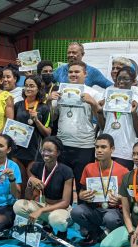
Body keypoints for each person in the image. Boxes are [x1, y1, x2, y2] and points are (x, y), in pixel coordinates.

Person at [71, 134, 129, 246]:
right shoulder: (89, 167)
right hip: (94, 209)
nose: (99, 150)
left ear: (112, 149)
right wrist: (82, 195)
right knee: (76, 212)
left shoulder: (123, 171)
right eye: (97, 147)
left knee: (110, 219)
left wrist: (120, 200)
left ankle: (112, 232)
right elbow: (82, 190)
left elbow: (130, 197)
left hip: (113, 211)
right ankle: (96, 233)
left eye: (103, 147)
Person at [56, 61, 103, 194]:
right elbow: (54, 117)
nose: (73, 74)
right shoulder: (60, 91)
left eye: (77, 72)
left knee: (83, 185)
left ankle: (81, 213)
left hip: (84, 145)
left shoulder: (93, 93)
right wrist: (50, 101)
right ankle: (63, 214)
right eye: (70, 72)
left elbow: (101, 121)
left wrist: (93, 103)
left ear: (85, 74)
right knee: (63, 186)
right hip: (63, 144)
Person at [14, 136, 73, 241]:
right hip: (44, 205)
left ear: (58, 153)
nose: (45, 153)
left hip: (60, 208)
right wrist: (30, 182)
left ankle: (62, 232)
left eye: (50, 151)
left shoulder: (66, 171)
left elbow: (65, 202)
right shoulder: (36, 167)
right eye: (43, 150)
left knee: (56, 220)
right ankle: (43, 227)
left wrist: (41, 210)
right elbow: (28, 197)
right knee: (18, 205)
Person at [98, 66, 138, 170]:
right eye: (119, 78)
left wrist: (134, 114)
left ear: (133, 81)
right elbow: (103, 126)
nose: (121, 81)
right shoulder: (108, 98)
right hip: (106, 150)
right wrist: (100, 112)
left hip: (125, 152)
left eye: (125, 79)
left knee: (121, 184)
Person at [12, 75, 51, 196]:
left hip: (34, 152)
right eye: (26, 85)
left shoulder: (44, 108)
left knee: (33, 187)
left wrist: (37, 120)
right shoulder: (18, 105)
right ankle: (18, 211)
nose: (28, 88)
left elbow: (48, 133)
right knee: (21, 185)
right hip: (17, 152)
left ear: (39, 89)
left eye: (32, 86)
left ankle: (31, 211)